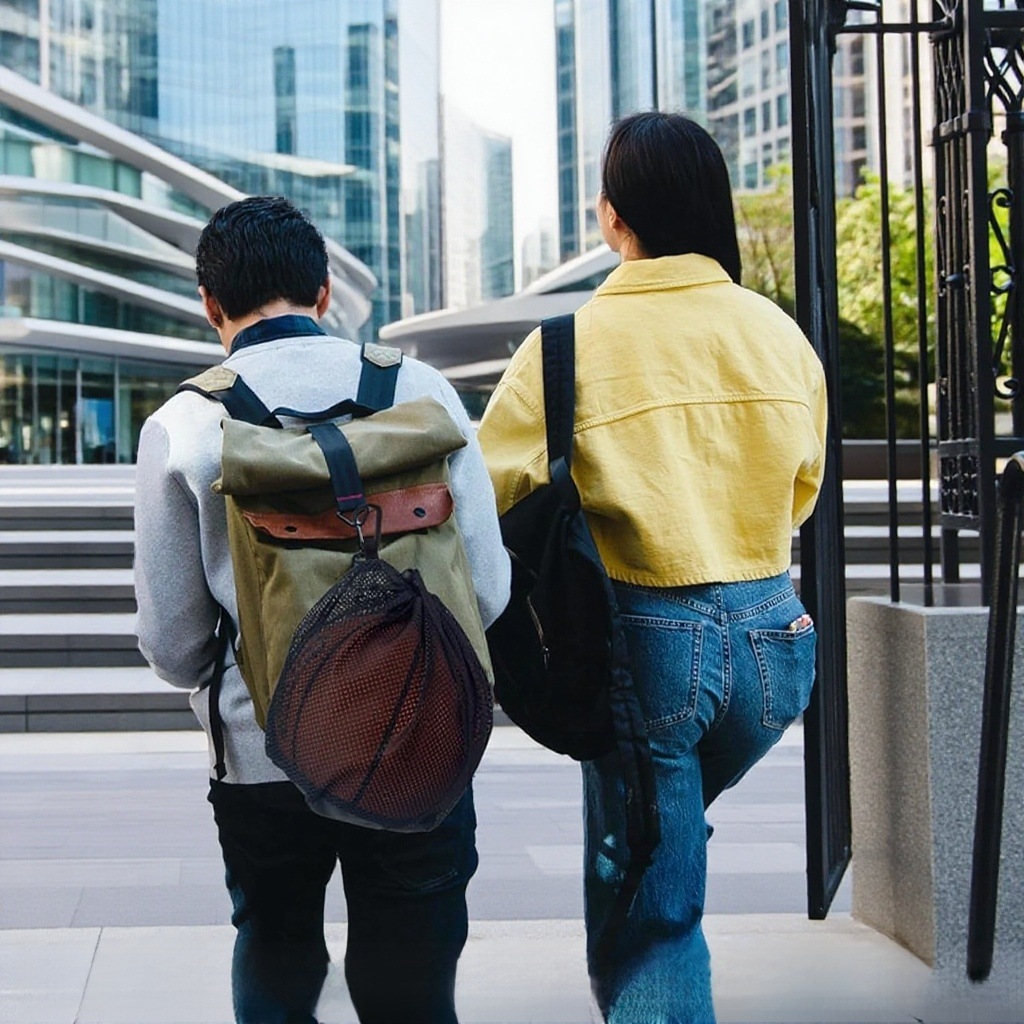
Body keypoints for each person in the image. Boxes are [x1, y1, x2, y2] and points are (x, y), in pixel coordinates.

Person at [477, 112, 827, 1023]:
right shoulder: (780, 336)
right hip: (776, 644)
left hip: (647, 650)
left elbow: (486, 496)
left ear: (611, 216)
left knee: (659, 915)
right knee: (648, 834)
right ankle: (655, 850)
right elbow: (803, 487)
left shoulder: (564, 347)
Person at [134, 195, 510, 1024]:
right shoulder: (423, 391)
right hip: (422, 736)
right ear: (326, 293)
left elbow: (173, 644)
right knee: (411, 974)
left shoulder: (186, 423)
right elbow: (486, 591)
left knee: (276, 951)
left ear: (210, 304)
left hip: (267, 753)